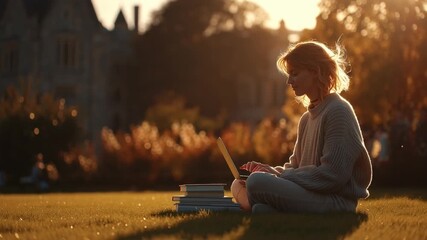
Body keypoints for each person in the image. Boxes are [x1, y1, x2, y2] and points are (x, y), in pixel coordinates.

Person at [231, 41, 373, 213]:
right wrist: (270, 170)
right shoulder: (306, 119)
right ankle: (262, 208)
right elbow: (295, 168)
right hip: (310, 194)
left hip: (335, 201)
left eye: (295, 74)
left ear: (315, 71)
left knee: (256, 182)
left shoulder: (338, 111)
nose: (289, 81)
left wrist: (276, 175)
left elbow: (332, 176)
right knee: (239, 183)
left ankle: (252, 204)